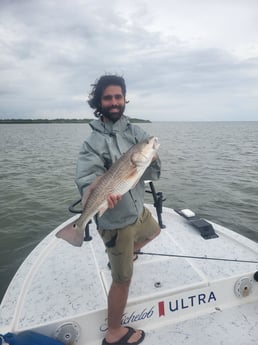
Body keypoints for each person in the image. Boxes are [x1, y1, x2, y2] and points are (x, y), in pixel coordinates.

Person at [75, 75, 161, 345]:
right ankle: (113, 333)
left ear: (125, 99)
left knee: (155, 230)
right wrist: (97, 196)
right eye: (108, 97)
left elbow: (151, 171)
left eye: (118, 97)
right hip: (116, 221)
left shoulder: (137, 134)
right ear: (99, 102)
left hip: (137, 211)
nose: (114, 102)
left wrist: (153, 155)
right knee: (122, 280)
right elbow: (87, 178)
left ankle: (129, 253)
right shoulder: (92, 142)